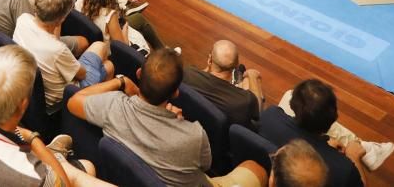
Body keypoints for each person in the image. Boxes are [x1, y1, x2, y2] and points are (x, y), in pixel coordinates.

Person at [67, 48, 267, 187]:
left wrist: (120, 82)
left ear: (138, 73)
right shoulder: (194, 135)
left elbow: (74, 100)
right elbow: (205, 166)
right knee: (255, 167)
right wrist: (178, 125)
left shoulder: (112, 106)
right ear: (175, 93)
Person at [0, 44, 113, 187]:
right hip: (39, 175)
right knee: (87, 167)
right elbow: (63, 182)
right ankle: (57, 156)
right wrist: (34, 140)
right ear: (23, 104)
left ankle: (55, 154)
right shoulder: (33, 177)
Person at [259, 79, 394, 186]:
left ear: (292, 105)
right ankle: (366, 148)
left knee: (289, 93)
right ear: (333, 119)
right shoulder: (343, 168)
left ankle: (368, 148)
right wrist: (354, 157)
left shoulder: (269, 116)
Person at [13, 0, 114, 111]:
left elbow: (53, 42)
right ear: (61, 19)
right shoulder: (57, 50)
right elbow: (82, 74)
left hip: (31, 90)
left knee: (104, 64)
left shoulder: (23, 19)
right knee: (104, 55)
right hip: (61, 101)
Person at [76, 0, 171, 54]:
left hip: (94, 44)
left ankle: (127, 9)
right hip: (108, 51)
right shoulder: (110, 15)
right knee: (139, 19)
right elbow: (122, 48)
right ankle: (164, 52)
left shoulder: (81, 0)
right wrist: (125, 29)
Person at [182, 40, 263, 130]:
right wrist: (252, 75)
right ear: (236, 65)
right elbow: (257, 111)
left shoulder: (187, 74)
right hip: (225, 138)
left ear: (209, 60)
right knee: (248, 81)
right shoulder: (245, 100)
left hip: (195, 125)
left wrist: (207, 69)